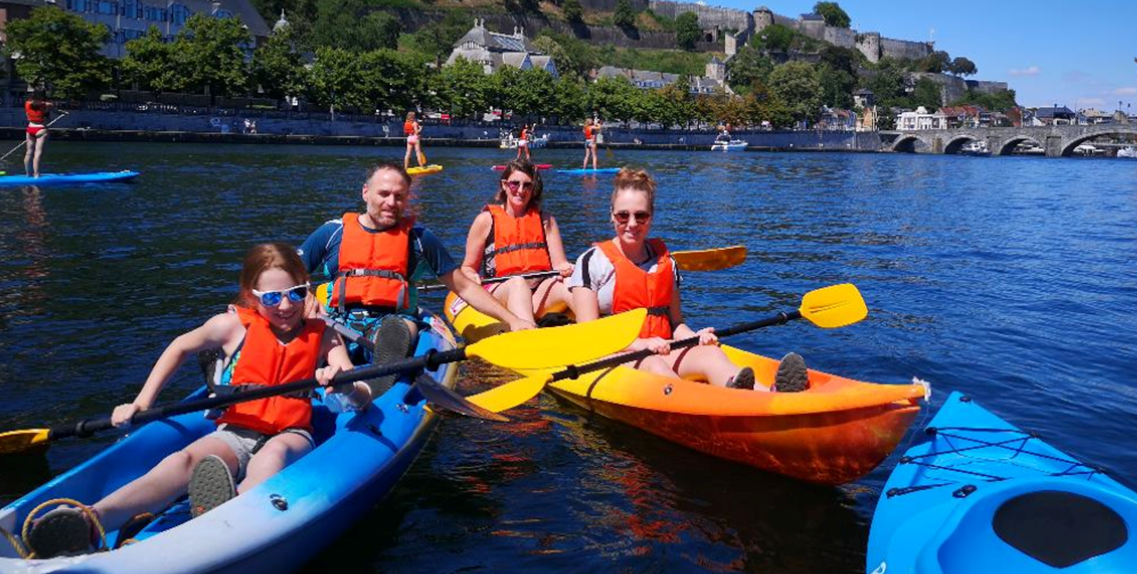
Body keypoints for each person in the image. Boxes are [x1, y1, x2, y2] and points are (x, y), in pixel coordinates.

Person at [25, 243, 371, 558]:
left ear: (305, 290)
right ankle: (89, 520)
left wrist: (341, 384)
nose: (285, 306)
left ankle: (227, 511)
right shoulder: (232, 326)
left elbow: (363, 393)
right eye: (271, 298)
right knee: (185, 460)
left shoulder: (324, 335)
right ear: (253, 296)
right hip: (237, 429)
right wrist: (140, 402)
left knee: (272, 457)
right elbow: (180, 346)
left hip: (292, 433)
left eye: (295, 294)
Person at [568, 168, 809, 392]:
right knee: (654, 365)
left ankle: (767, 393)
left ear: (651, 217)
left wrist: (695, 337)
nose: (632, 224)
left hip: (662, 348)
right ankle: (709, 406)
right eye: (623, 216)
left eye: (640, 216)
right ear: (612, 216)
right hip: (613, 355)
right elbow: (590, 334)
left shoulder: (666, 262)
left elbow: (676, 325)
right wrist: (640, 344)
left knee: (711, 355)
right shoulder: (592, 262)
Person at [300, 163, 534, 380]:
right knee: (312, 334)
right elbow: (288, 273)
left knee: (398, 331)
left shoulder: (420, 239)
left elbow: (463, 286)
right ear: (365, 192)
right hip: (339, 322)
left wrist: (512, 320)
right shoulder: (332, 233)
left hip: (391, 321)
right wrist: (306, 295)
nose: (391, 202)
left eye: (399, 196)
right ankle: (324, 379)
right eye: (384, 194)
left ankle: (381, 382)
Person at [460, 161, 574, 325]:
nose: (521, 190)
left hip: (538, 293)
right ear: (505, 185)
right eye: (515, 184)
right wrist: (470, 274)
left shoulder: (546, 220)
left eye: (527, 185)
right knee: (518, 284)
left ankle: (595, 329)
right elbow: (468, 267)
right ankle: (529, 336)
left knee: (569, 283)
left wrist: (566, 269)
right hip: (501, 293)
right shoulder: (485, 221)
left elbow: (559, 264)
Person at [24, 91, 53, 178]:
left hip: (30, 128)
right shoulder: (47, 105)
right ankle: (36, 175)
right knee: (38, 153)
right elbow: (56, 110)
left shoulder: (27, 103)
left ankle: (28, 174)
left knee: (28, 152)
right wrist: (63, 113)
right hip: (41, 129)